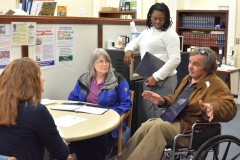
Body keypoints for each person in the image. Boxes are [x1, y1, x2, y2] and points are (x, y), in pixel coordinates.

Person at [115, 47, 237, 159]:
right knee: (146, 126)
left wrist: (212, 108)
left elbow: (230, 106)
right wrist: (162, 101)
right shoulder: (187, 79)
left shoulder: (214, 83)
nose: (190, 66)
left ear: (207, 67)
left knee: (159, 128)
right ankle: (121, 158)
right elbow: (176, 99)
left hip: (190, 129)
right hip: (174, 119)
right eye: (190, 62)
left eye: (196, 64)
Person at [68, 48, 132, 160]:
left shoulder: (118, 79)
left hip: (107, 120)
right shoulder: (84, 78)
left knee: (98, 134)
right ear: (93, 64)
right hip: (86, 118)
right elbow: (72, 99)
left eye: (107, 61)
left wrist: (110, 114)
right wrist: (80, 110)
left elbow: (126, 103)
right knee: (77, 135)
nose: (105, 64)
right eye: (100, 61)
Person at [0, 58, 70, 160]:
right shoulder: (36, 111)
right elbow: (61, 154)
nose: (43, 79)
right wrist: (62, 143)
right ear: (29, 81)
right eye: (39, 74)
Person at [123, 2, 181, 120]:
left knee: (160, 114)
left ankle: (160, 138)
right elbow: (135, 42)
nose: (158, 22)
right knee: (149, 112)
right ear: (150, 17)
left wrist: (157, 77)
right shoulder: (148, 31)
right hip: (148, 78)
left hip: (165, 79)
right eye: (155, 18)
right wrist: (128, 49)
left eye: (161, 19)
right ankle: (151, 137)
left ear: (167, 19)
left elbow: (175, 59)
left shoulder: (170, 35)